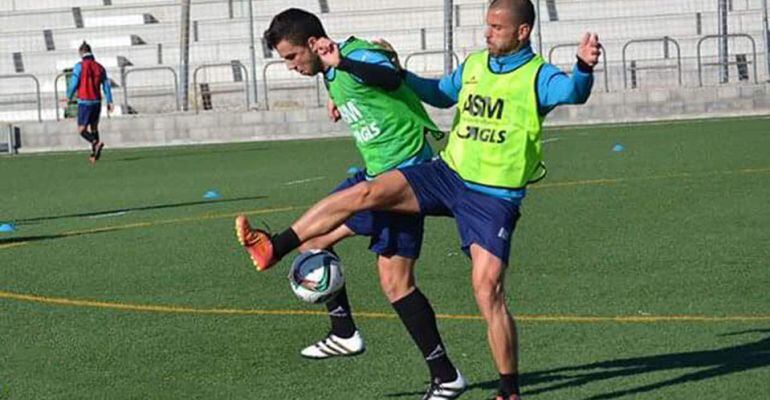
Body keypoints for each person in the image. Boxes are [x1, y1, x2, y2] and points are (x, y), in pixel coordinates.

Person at [236, 1, 601, 398]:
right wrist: (397, 75)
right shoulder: (476, 65)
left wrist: (583, 67)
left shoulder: (537, 76)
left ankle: (507, 390)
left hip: (492, 195)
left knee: (486, 290)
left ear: (522, 32)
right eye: (487, 25)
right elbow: (439, 95)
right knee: (356, 202)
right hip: (447, 175)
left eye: (496, 27)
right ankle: (280, 254)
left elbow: (573, 92)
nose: (487, 32)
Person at [238, 9, 466, 399]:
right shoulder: (330, 71)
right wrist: (340, 95)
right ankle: (346, 334)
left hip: (405, 178)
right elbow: (362, 88)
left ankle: (274, 246)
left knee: (384, 266)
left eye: (292, 57)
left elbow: (389, 76)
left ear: (314, 44)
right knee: (324, 246)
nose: (291, 67)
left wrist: (345, 64)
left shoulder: (356, 55)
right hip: (379, 174)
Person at [66, 41, 113, 164]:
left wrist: (69, 96)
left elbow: (74, 84)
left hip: (84, 102)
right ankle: (94, 155)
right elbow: (106, 85)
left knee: (82, 130)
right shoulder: (100, 67)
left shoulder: (79, 66)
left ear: (81, 53)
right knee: (94, 128)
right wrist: (110, 101)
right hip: (96, 101)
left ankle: (95, 143)